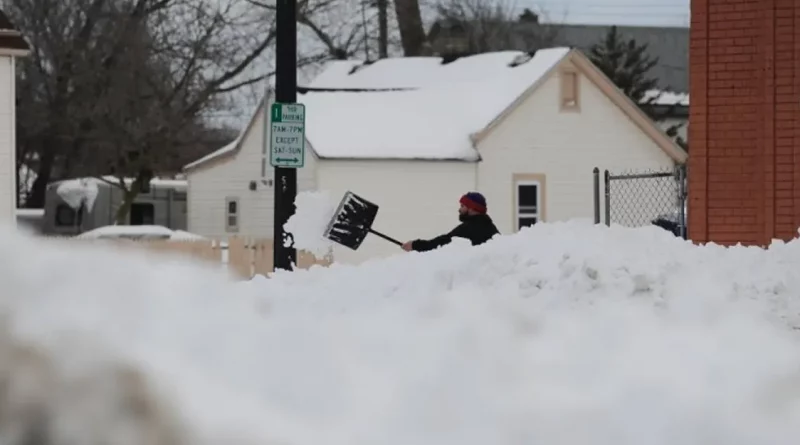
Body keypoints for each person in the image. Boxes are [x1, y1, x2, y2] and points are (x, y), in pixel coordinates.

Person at [402, 192, 500, 252]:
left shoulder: (468, 229)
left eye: (462, 206)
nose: (459, 210)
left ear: (472, 208)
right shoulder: (491, 228)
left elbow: (441, 243)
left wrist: (415, 245)